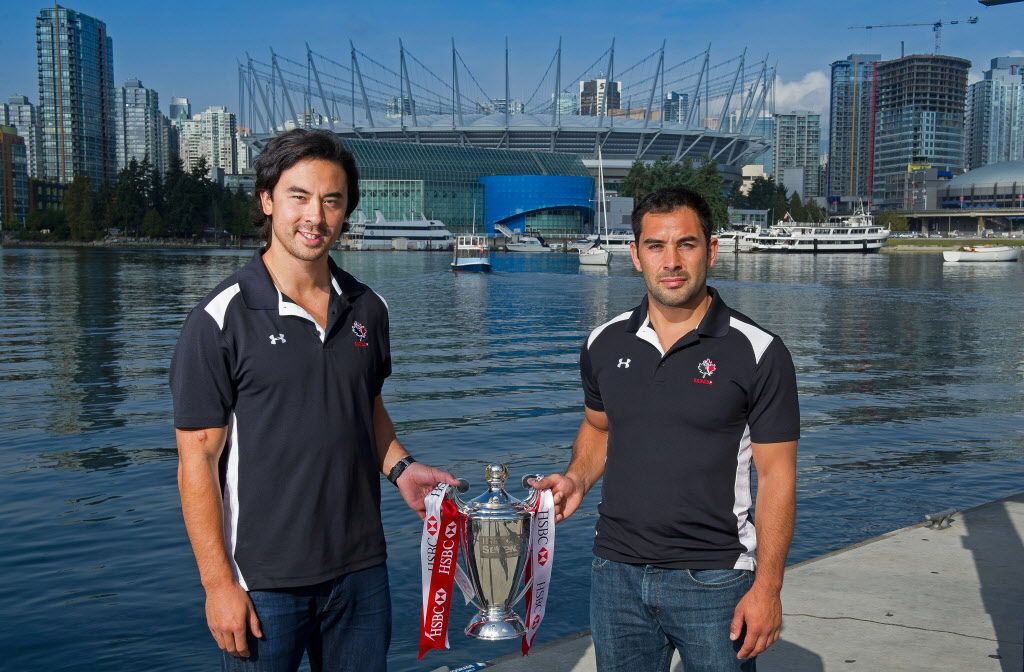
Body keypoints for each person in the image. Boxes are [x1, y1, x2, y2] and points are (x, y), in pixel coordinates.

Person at [170, 129, 457, 671]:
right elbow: (197, 461)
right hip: (264, 586)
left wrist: (401, 468)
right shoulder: (220, 319)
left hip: (361, 575)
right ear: (267, 200)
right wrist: (218, 585)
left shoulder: (368, 308)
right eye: (299, 196)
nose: (315, 216)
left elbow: (362, 406)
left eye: (332, 200)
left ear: (347, 209)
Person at [534, 186, 799, 672]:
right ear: (635, 255)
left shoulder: (759, 351)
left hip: (715, 579)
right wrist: (577, 478)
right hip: (616, 575)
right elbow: (599, 429)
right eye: (655, 246)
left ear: (711, 251)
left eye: (687, 244)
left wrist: (768, 588)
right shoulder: (602, 342)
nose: (671, 261)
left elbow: (778, 477)